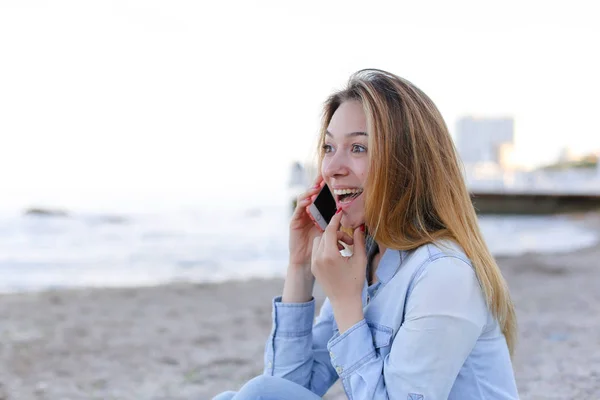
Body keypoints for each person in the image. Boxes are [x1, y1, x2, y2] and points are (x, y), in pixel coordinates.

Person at [212, 69, 519, 400]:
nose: (331, 168)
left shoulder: (443, 272)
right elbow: (287, 388)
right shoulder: (364, 259)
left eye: (358, 148)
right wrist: (300, 267)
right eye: (329, 147)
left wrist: (345, 301)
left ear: (407, 162)